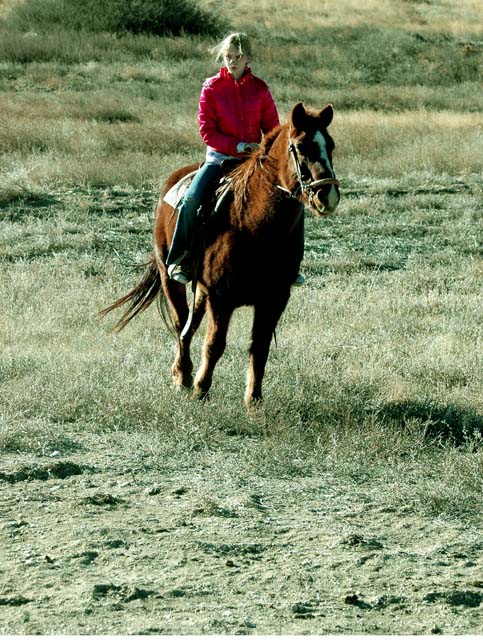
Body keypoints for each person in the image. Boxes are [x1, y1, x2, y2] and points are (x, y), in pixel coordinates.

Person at [166, 32, 304, 286]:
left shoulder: (260, 89)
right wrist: (239, 145)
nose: (232, 61)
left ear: (248, 58)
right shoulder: (212, 87)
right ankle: (179, 258)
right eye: (228, 56)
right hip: (219, 160)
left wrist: (263, 150)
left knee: (295, 198)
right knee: (191, 198)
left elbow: (273, 129)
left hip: (253, 162)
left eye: (238, 57)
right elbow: (207, 131)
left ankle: (292, 265)